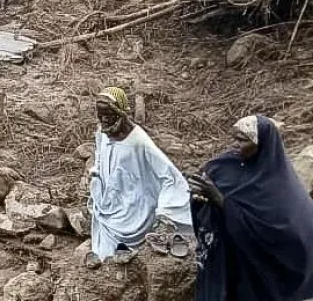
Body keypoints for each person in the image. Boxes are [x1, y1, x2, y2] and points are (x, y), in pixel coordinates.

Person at [189, 115, 313, 301]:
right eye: (235, 138)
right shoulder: (225, 164)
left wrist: (220, 199)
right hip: (228, 259)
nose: (235, 144)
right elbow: (206, 189)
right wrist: (199, 196)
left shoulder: (278, 186)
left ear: (261, 144)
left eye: (243, 140)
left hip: (260, 270)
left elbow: (283, 235)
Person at [88, 87, 192, 262]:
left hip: (136, 206)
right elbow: (100, 154)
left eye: (108, 115)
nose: (104, 120)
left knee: (125, 239)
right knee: (104, 252)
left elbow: (169, 176)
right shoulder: (102, 132)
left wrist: (165, 212)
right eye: (100, 115)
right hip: (110, 201)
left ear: (120, 113)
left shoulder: (139, 141)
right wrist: (96, 174)